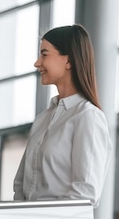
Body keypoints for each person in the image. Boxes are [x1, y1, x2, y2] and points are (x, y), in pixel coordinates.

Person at [13, 24, 112, 208]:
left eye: (44, 54)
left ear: (69, 61)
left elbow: (85, 194)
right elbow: (21, 185)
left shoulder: (87, 117)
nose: (37, 63)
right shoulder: (42, 119)